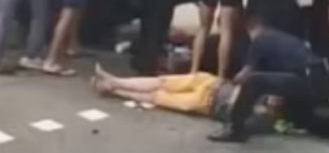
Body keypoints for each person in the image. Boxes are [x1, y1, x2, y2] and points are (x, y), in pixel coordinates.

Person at [208, 15, 329, 145]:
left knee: (253, 82)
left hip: (308, 78)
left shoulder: (260, 38)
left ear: (249, 28)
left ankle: (235, 129)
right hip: (318, 79)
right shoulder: (278, 38)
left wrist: (226, 84)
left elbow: (245, 75)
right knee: (298, 117)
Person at [92, 64, 239, 120]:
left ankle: (115, 89)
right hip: (215, 83)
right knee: (162, 82)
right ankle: (114, 81)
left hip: (209, 102)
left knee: (157, 96)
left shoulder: (259, 117)